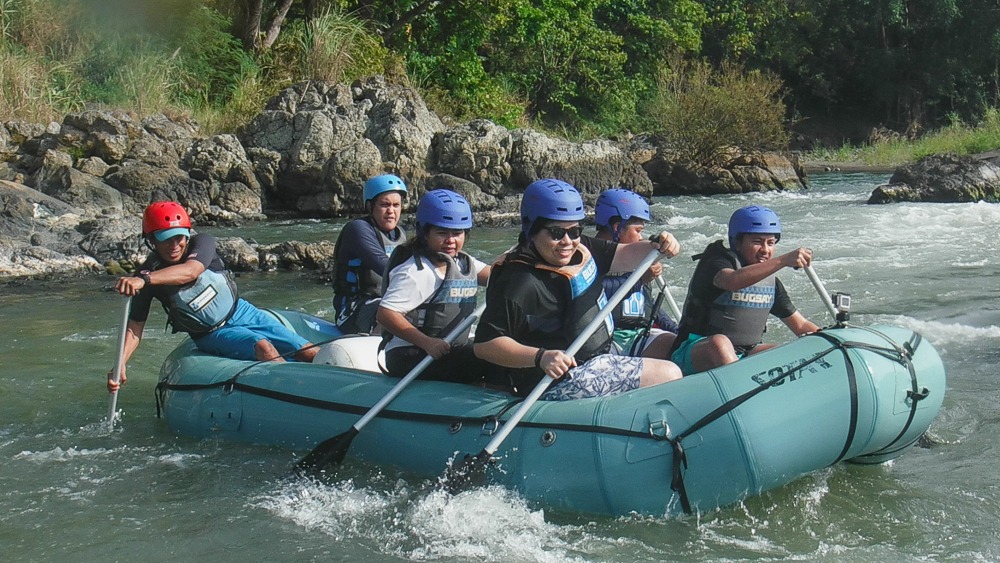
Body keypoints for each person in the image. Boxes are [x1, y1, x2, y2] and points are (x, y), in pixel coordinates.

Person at [473, 178, 683, 401]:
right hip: (555, 380)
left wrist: (658, 245)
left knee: (673, 349)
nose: (567, 241)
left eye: (575, 231)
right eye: (556, 233)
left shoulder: (580, 248)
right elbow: (485, 345)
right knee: (668, 374)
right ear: (531, 229)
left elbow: (625, 254)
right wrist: (540, 357)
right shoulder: (518, 281)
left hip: (596, 356)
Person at [108, 202, 318, 392]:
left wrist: (145, 280)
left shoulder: (202, 243)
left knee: (307, 351)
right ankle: (298, 391)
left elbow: (191, 271)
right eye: (165, 239)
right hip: (210, 334)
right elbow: (135, 327)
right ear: (152, 240)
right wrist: (121, 363)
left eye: (178, 237)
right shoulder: (146, 274)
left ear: (186, 235)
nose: (174, 245)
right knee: (264, 347)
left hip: (242, 311)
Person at [668, 205, 819, 375]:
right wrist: (783, 260)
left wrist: (831, 337)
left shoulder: (771, 284)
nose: (765, 250)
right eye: (757, 242)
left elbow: (801, 325)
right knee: (720, 343)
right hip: (694, 351)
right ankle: (741, 385)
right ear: (737, 243)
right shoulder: (716, 262)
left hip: (745, 353)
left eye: (770, 243)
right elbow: (732, 281)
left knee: (784, 353)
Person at [376, 189, 492, 383]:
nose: (451, 240)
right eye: (442, 233)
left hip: (445, 350)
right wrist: (427, 343)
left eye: (457, 233)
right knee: (490, 360)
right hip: (410, 354)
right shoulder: (415, 272)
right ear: (424, 233)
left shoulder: (462, 263)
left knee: (496, 349)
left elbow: (496, 278)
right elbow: (385, 314)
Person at [594, 188, 679, 359]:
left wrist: (678, 331)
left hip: (638, 335)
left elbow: (649, 306)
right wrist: (639, 279)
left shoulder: (637, 260)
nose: (641, 238)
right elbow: (594, 294)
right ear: (617, 228)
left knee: (681, 345)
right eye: (638, 231)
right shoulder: (588, 257)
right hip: (603, 339)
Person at [332, 174, 408, 334]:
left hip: (386, 302)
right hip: (352, 311)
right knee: (397, 311)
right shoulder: (358, 229)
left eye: (396, 205)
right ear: (370, 206)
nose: (391, 211)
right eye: (384, 205)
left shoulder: (400, 234)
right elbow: (385, 266)